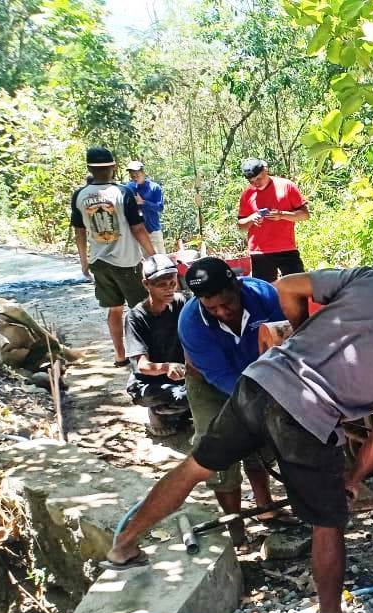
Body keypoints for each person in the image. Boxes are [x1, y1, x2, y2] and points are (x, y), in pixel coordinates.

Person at [103, 260, 373, 613]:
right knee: (328, 521)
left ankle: (124, 546)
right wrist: (352, 480)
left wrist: (301, 331)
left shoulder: (370, 281)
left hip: (259, 382)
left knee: (194, 467)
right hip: (306, 417)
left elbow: (287, 286)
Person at [177, 257, 288, 546]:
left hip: (262, 374)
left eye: (227, 303)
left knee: (260, 440)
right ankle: (235, 526)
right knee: (217, 447)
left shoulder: (266, 296)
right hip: (210, 383)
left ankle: (266, 509)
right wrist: (255, 402)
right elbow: (218, 375)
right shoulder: (191, 323)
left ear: (237, 286)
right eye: (211, 308)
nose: (222, 312)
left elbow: (288, 339)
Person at [71, 146, 158, 367]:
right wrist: (154, 256)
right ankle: (146, 356)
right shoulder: (122, 193)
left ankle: (120, 355)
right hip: (127, 262)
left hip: (99, 262)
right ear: (113, 167)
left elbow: (79, 233)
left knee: (114, 309)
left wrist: (84, 262)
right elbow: (138, 229)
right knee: (141, 308)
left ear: (89, 167)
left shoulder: (80, 196)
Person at [124, 254, 190, 437]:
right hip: (148, 383)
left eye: (172, 283)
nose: (169, 290)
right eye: (162, 285)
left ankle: (181, 413)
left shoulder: (181, 303)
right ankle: (157, 413)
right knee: (182, 396)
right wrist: (167, 367)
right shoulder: (135, 317)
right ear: (146, 285)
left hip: (181, 376)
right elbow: (143, 366)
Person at [236, 158, 309, 283]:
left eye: (258, 179)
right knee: (264, 293)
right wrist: (251, 219)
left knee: (299, 287)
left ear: (265, 170)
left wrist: (282, 215)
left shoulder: (286, 186)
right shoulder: (247, 194)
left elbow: (304, 215)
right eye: (252, 181)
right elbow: (241, 226)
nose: (256, 183)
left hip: (287, 248)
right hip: (259, 252)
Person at [125, 160, 165, 254]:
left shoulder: (154, 187)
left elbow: (160, 207)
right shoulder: (128, 188)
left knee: (162, 260)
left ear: (143, 173)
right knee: (147, 264)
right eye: (132, 176)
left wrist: (143, 202)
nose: (135, 178)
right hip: (139, 232)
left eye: (137, 175)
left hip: (153, 230)